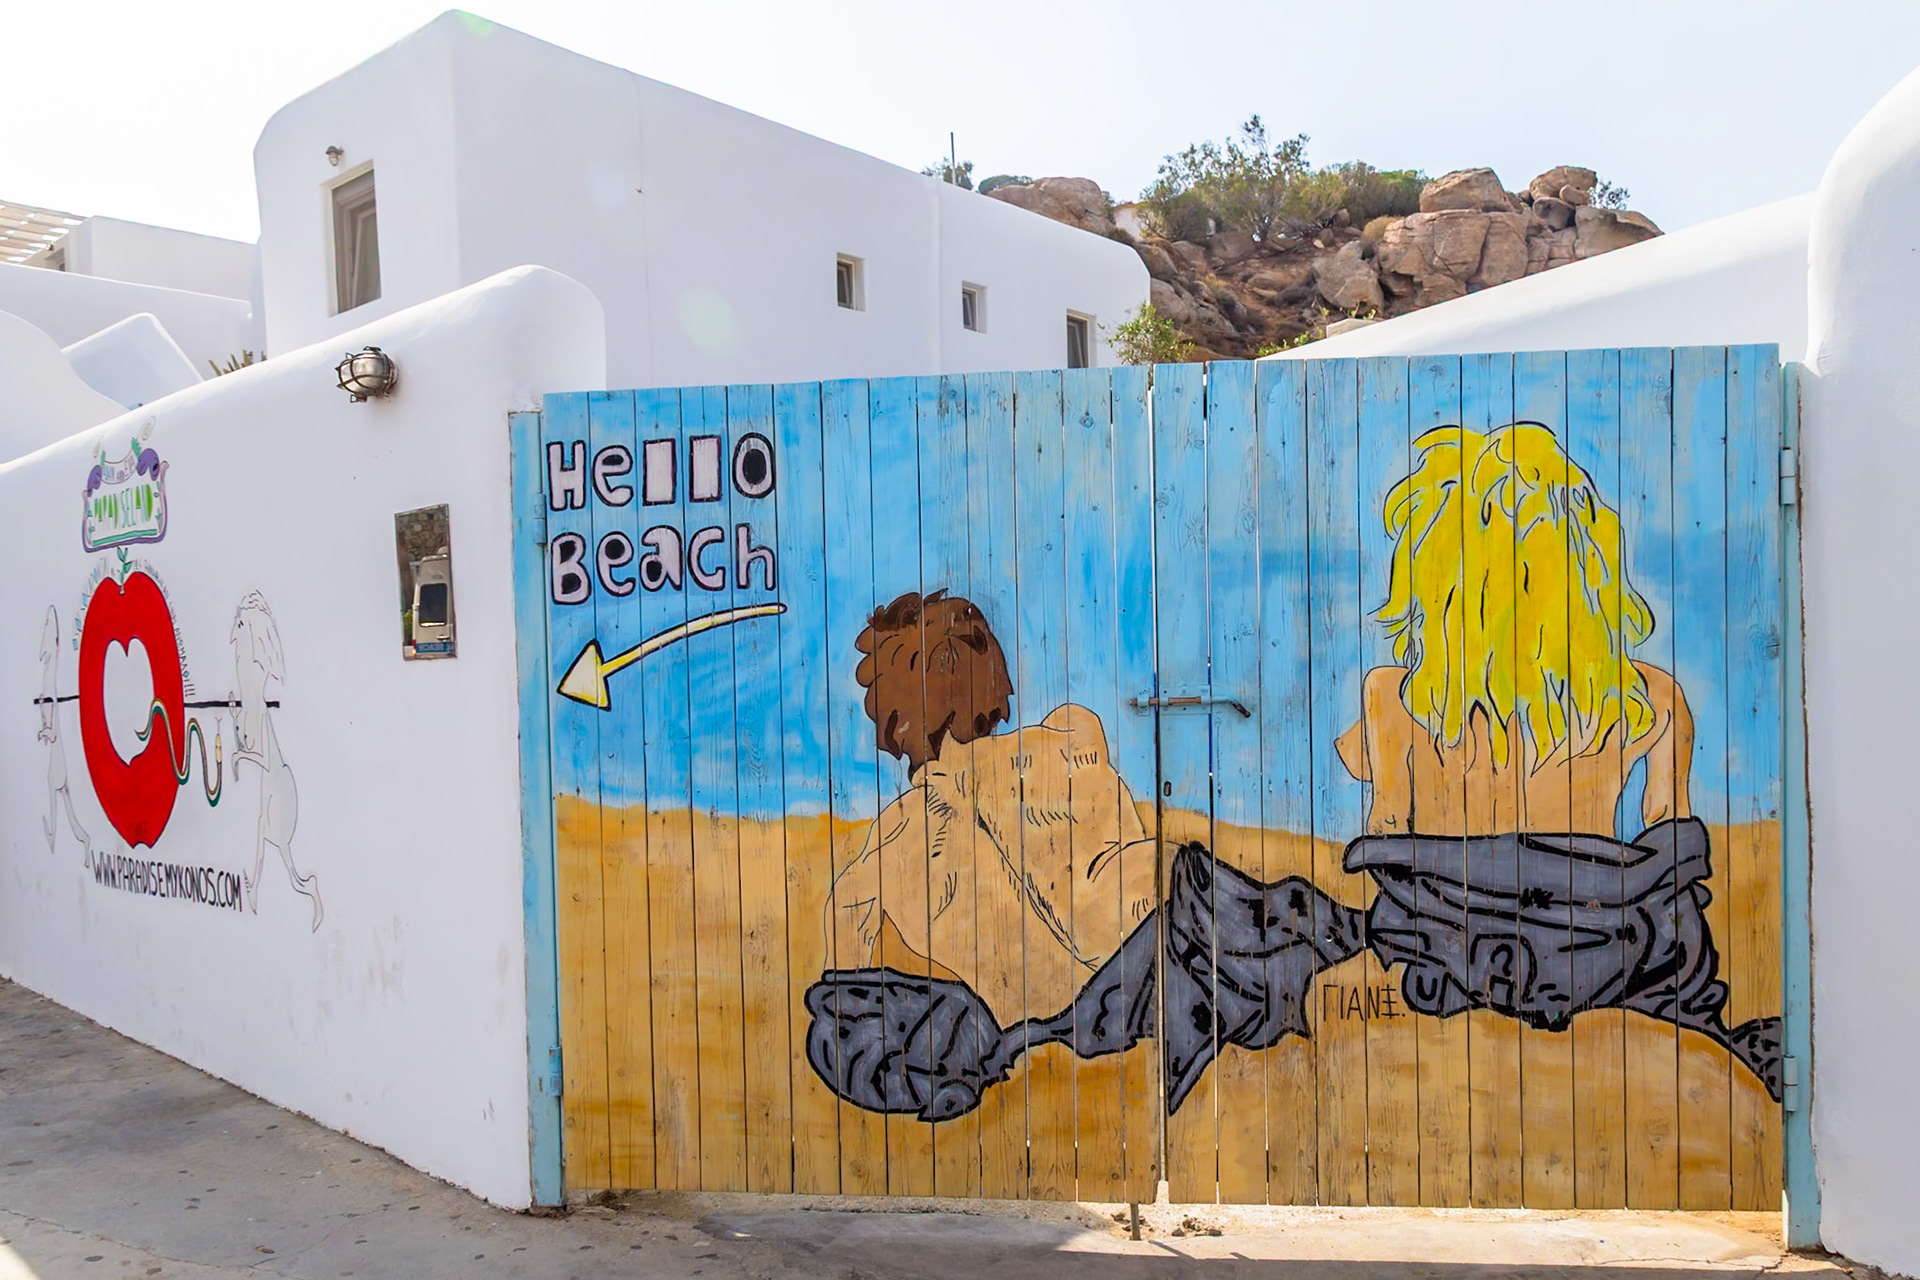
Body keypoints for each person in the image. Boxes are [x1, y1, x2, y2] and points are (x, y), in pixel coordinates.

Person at [1334, 423, 1695, 835]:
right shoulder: (1653, 698)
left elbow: (1388, 829)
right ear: (1590, 561)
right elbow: (1670, 845)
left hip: (1436, 900)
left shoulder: (1394, 698)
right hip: (1587, 900)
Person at [822, 589, 1157, 1026]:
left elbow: (843, 946)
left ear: (894, 720)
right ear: (994, 680)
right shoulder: (1068, 748)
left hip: (1021, 1043)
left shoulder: (898, 837)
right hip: (1132, 1007)